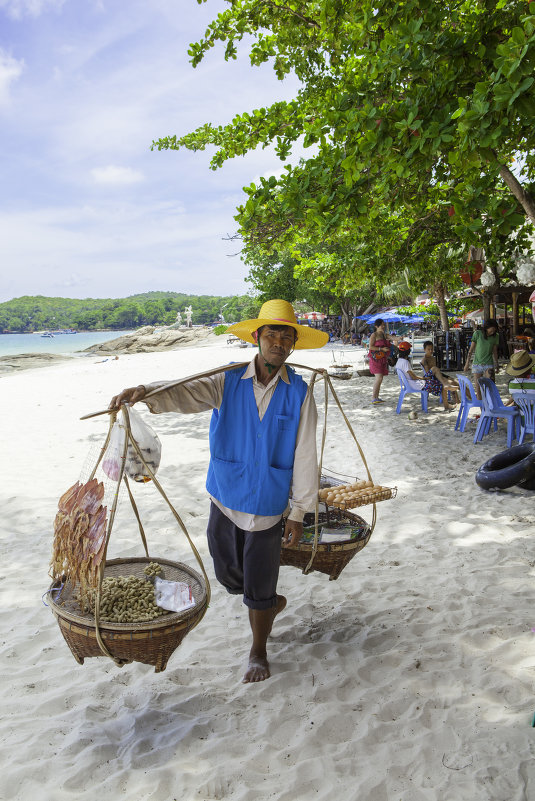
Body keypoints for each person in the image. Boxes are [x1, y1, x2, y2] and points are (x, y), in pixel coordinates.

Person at [108, 299, 329, 684]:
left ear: (293, 344)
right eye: (272, 333)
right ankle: (266, 603)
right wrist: (144, 392)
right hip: (225, 498)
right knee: (229, 575)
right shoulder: (226, 380)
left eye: (286, 336)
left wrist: (299, 511)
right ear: (257, 338)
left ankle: (258, 648)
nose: (279, 341)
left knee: (259, 585)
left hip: (267, 504)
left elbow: (306, 453)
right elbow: (185, 392)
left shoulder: (299, 393)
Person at [396, 341, 456, 411]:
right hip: (415, 385)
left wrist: (423, 378)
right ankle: (446, 405)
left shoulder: (399, 361)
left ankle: (445, 386)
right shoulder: (405, 362)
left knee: (434, 369)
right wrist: (424, 378)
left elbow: (413, 376)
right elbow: (414, 377)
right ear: (407, 351)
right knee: (441, 384)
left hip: (410, 384)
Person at [463, 320, 499, 400]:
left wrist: (497, 364)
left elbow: (495, 352)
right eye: (491, 330)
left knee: (490, 387)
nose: (492, 332)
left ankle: (490, 408)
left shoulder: (496, 336)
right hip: (477, 364)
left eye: (494, 330)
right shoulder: (477, 334)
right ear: (486, 328)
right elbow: (471, 350)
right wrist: (467, 364)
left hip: (489, 364)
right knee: (478, 389)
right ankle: (482, 410)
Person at [420, 341, 460, 408]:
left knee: (455, 382)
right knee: (449, 382)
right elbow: (428, 373)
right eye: (428, 349)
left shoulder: (433, 358)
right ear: (424, 350)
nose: (430, 351)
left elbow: (438, 372)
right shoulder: (424, 360)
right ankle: (454, 401)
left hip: (438, 375)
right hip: (431, 378)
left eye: (432, 349)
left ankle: (465, 399)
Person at [368, 319, 398, 404]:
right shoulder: (374, 335)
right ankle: (374, 397)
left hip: (382, 359)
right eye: (382, 325)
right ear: (376, 326)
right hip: (375, 359)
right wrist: (381, 349)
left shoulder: (384, 335)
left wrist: (400, 338)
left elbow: (392, 337)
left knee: (380, 379)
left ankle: (376, 397)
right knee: (379, 378)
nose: (383, 326)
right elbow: (371, 347)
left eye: (384, 325)